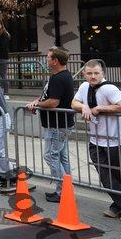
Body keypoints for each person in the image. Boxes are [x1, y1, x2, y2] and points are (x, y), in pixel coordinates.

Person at [71, 60, 121, 218]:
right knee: (105, 176)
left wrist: (100, 108)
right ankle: (119, 204)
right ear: (84, 74)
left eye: (96, 73)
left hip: (114, 141)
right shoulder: (84, 86)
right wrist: (84, 107)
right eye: (89, 73)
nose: (93, 76)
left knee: (117, 175)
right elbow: (73, 103)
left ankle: (117, 206)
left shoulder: (109, 88)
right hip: (95, 140)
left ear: (102, 73)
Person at [26, 46, 75, 202]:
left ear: (55, 61)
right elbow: (47, 96)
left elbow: (53, 102)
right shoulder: (62, 76)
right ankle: (66, 189)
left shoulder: (58, 78)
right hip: (61, 123)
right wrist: (37, 102)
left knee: (50, 156)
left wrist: (38, 105)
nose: (46, 59)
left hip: (57, 125)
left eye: (48, 57)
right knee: (62, 157)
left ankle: (64, 191)